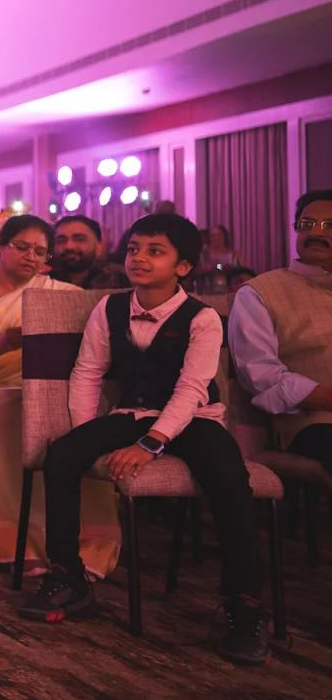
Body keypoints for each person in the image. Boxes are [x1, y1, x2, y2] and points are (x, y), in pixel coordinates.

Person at [17, 214, 268, 665]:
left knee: (230, 480)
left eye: (155, 251)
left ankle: (244, 604)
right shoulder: (110, 307)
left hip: (195, 418)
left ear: (183, 267)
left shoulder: (203, 317)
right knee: (61, 457)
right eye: (134, 249)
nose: (139, 258)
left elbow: (192, 389)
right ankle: (68, 577)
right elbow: (88, 371)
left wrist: (150, 445)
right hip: (131, 412)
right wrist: (85, 433)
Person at [0, 215, 119, 575]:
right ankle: (11, 539)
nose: (31, 256)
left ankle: (81, 541)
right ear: (0, 247)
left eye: (40, 251)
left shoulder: (57, 294)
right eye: (21, 247)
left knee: (75, 417)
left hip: (36, 385)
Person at [228, 190, 332, 472]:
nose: (316, 233)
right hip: (312, 423)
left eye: (329, 225)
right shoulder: (260, 291)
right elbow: (259, 373)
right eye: (307, 224)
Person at [49, 214, 130, 290]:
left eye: (79, 239)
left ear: (98, 248)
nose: (69, 246)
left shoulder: (118, 280)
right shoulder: (46, 283)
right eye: (61, 241)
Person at [193, 223, 254, 296]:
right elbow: (193, 273)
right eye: (213, 235)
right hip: (205, 294)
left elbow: (246, 274)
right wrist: (210, 269)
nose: (216, 237)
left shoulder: (234, 256)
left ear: (225, 237)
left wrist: (231, 270)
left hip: (229, 295)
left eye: (219, 235)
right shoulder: (202, 255)